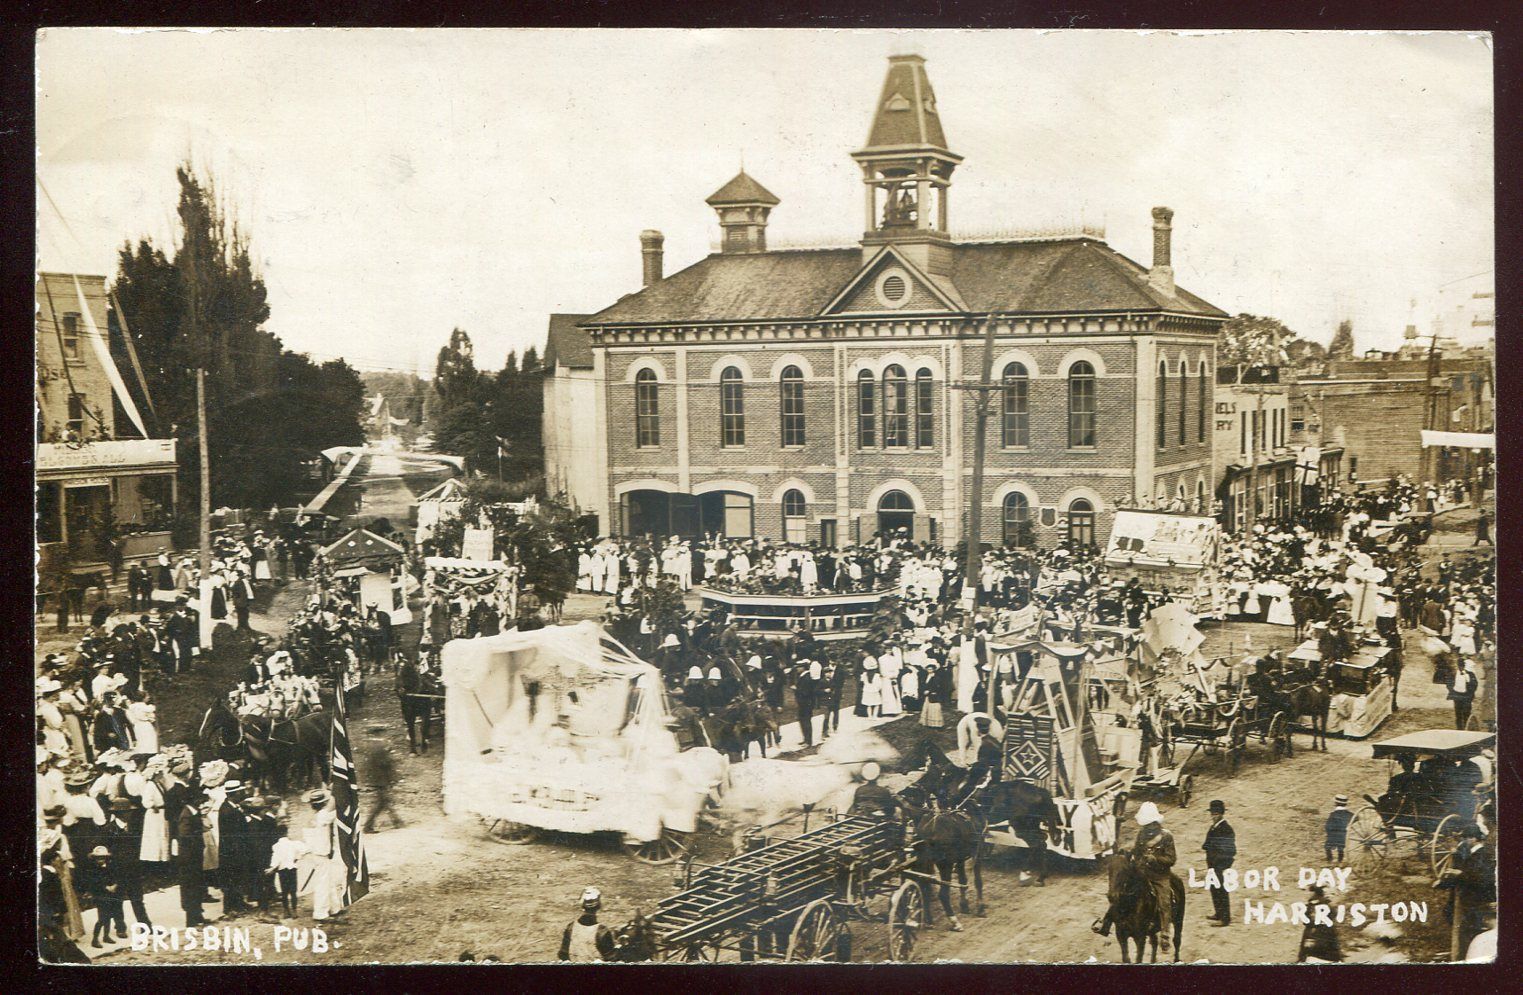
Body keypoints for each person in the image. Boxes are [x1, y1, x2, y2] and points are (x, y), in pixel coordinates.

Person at [1130, 802, 1178, 955]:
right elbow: (1137, 852)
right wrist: (1133, 859)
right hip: (1143, 873)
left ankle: (1164, 935)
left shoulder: (1166, 836)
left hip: (1160, 876)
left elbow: (1171, 859)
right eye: (1145, 824)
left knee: (1165, 902)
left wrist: (1155, 859)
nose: (1147, 827)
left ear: (1156, 822)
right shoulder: (1141, 833)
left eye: (1149, 824)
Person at [558, 887, 616, 962]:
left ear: (582, 905)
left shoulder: (571, 927)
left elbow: (563, 954)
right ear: (599, 906)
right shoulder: (602, 932)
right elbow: (611, 959)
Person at [84, 846, 126, 948]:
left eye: (102, 858)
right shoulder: (93, 870)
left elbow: (116, 877)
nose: (100, 860)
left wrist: (114, 885)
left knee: (109, 917)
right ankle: (95, 939)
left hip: (111, 894)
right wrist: (105, 887)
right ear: (94, 859)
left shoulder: (110, 867)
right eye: (98, 858)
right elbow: (94, 883)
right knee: (102, 918)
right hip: (100, 896)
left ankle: (106, 936)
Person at [363, 742, 403, 832]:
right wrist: (391, 760)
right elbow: (384, 763)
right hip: (381, 780)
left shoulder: (372, 746)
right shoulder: (380, 747)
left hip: (378, 780)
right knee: (381, 803)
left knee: (384, 802)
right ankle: (368, 826)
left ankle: (397, 821)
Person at [1449, 659, 1479, 729]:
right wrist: (1452, 689)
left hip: (1466, 696)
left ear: (1464, 666)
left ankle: (1466, 727)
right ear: (1458, 666)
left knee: (1466, 712)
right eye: (1459, 666)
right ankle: (1459, 729)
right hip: (1457, 696)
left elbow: (1475, 684)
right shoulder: (1454, 673)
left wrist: (1470, 693)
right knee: (1458, 713)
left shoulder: (1470, 674)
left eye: (1462, 666)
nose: (1461, 668)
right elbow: (1449, 682)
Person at [1324, 794, 1354, 864]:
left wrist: (1329, 833)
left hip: (1334, 837)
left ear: (1336, 803)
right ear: (1345, 804)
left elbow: (1328, 826)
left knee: (1327, 846)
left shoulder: (1333, 814)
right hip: (1345, 836)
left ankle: (1330, 860)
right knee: (1341, 847)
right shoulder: (1351, 814)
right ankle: (1340, 860)